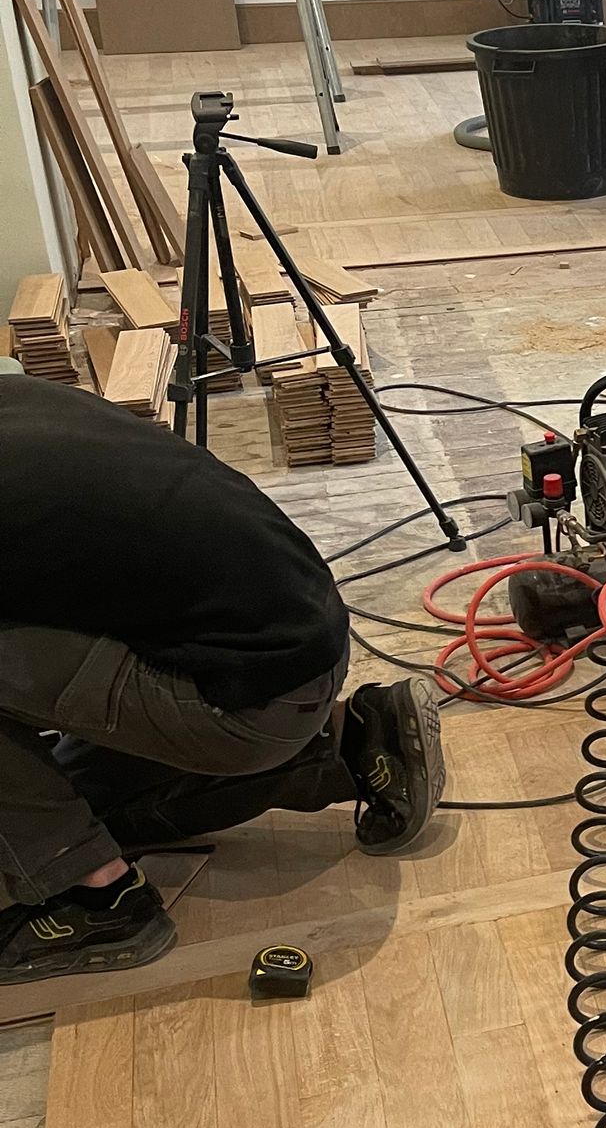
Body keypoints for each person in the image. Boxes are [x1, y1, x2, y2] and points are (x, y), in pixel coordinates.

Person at [0, 374, 446, 980]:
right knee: (74, 801)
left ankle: (89, 899)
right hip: (298, 647)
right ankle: (351, 742)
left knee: (46, 839)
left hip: (246, 702)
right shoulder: (18, 396)